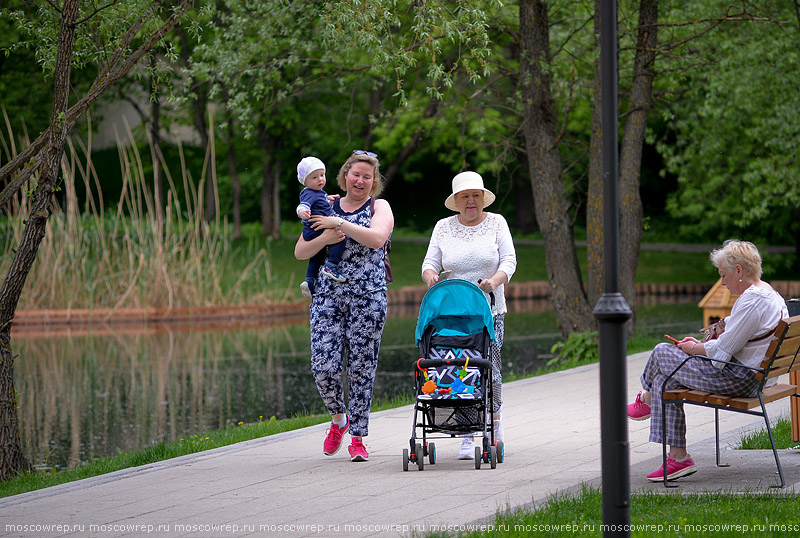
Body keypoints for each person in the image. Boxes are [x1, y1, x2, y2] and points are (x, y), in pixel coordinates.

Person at [628, 239, 789, 482]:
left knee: (662, 351)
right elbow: (734, 342)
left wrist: (694, 348)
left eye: (723, 276)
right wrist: (700, 346)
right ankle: (678, 458)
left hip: (740, 380)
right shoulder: (770, 294)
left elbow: (723, 351)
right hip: (756, 377)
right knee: (665, 378)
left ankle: (647, 399)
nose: (722, 282)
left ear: (739, 270)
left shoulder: (752, 300)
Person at [294, 150, 394, 462]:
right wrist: (326, 236)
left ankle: (359, 438)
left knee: (361, 369)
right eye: (356, 174)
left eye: (368, 176)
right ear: (345, 176)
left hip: (368, 298)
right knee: (323, 368)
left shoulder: (380, 207)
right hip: (328, 297)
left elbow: (377, 238)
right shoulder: (325, 205)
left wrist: (340, 224)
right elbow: (300, 251)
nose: (361, 180)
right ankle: (339, 419)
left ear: (374, 181)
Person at [421, 171, 517, 460]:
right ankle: (465, 434)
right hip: (452, 315)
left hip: (488, 309)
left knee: (490, 369)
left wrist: (495, 280)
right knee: (458, 369)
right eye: (465, 196)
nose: (471, 201)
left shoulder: (497, 223)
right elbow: (429, 262)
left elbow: (509, 260)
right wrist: (430, 277)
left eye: (476, 195)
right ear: (457, 200)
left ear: (483, 198)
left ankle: (494, 426)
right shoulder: (443, 227)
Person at [296, 156, 346, 299]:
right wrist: (302, 212)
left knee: (317, 254)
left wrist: (327, 200)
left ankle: (310, 281)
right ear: (305, 181)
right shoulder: (308, 193)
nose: (320, 179)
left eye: (322, 175)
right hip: (316, 228)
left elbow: (318, 203)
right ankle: (332, 265)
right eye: (314, 177)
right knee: (339, 237)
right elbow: (303, 205)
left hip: (313, 230)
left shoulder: (318, 193)